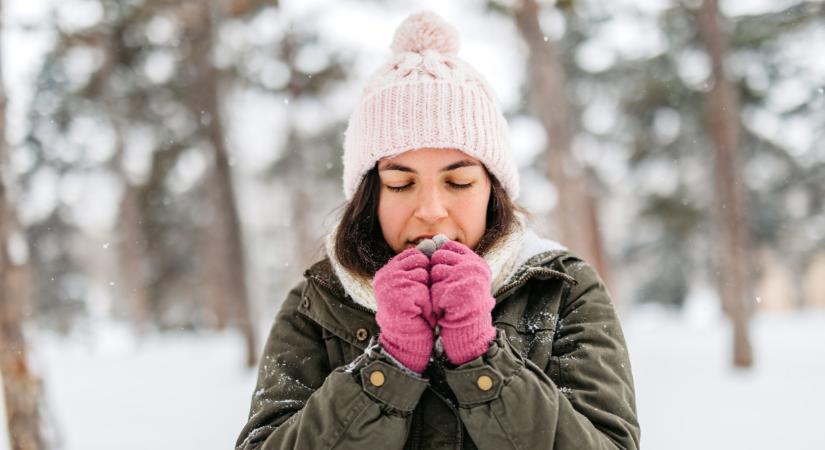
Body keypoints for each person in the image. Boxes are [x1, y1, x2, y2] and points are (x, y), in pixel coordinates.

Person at [236, 10, 639, 450]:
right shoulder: (318, 302)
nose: (430, 210)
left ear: (492, 189)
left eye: (459, 182)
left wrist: (481, 360)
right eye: (401, 183)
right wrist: (387, 369)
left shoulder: (561, 289)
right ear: (370, 195)